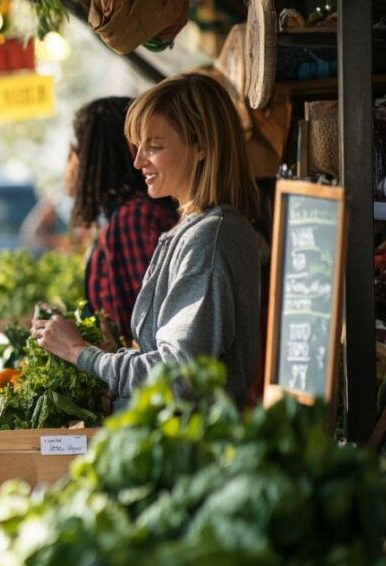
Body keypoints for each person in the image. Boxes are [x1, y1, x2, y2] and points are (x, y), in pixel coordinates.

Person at [34, 73, 262, 407]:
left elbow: (179, 374)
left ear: (201, 147)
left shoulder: (208, 239)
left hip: (190, 449)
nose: (138, 161)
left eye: (154, 147)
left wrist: (81, 353)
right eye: (138, 147)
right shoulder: (196, 229)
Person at [68, 96, 178, 344]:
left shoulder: (134, 219)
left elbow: (150, 327)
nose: (71, 162)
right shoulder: (126, 215)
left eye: (76, 149)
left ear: (92, 156)